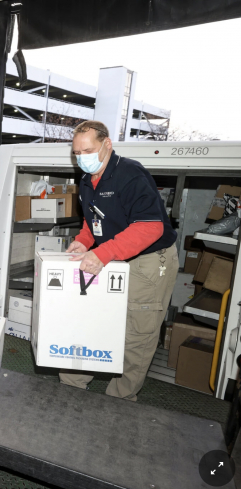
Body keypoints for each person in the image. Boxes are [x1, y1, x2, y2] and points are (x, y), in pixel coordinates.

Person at [61, 120, 179, 401]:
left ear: (107, 144)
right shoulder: (87, 180)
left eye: (87, 150)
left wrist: (102, 253)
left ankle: (120, 400)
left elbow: (151, 227)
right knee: (95, 320)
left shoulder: (130, 174)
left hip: (148, 261)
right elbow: (94, 221)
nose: (82, 158)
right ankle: (71, 385)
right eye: (77, 153)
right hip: (114, 255)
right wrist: (84, 241)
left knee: (137, 334)